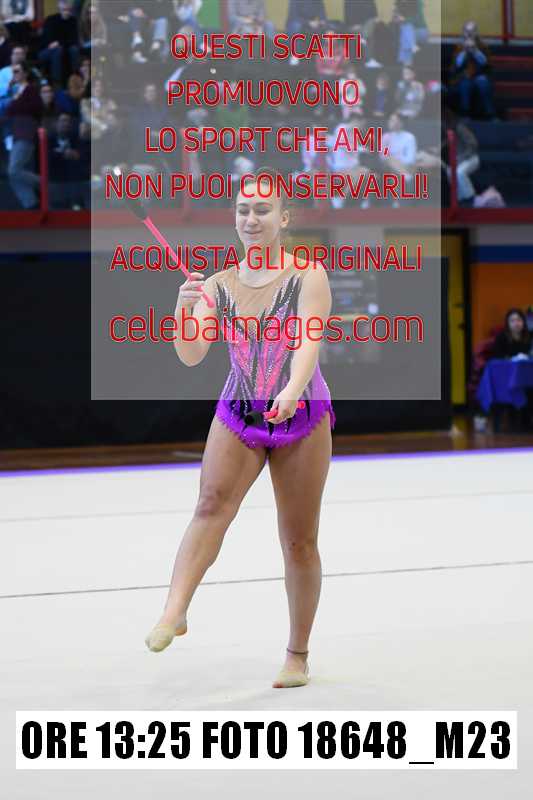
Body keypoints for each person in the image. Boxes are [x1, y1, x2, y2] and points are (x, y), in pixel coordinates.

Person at [144, 169, 336, 689]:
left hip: (301, 412)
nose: (252, 218)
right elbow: (191, 354)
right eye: (243, 210)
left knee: (298, 540)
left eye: (263, 210)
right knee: (210, 505)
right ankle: (174, 611)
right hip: (239, 408)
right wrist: (183, 310)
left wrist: (292, 390)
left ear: (283, 217)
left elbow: (308, 342)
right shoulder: (217, 285)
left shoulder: (307, 275)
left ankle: (297, 654)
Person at [6, 58, 42, 208]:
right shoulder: (15, 91)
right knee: (13, 173)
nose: (14, 74)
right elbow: (9, 111)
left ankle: (44, 183)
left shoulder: (31, 90)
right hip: (15, 135)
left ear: (25, 73)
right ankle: (31, 204)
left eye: (17, 71)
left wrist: (16, 104)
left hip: (26, 134)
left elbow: (36, 107)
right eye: (13, 71)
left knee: (13, 171)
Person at [449, 20, 495, 119]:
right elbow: (456, 66)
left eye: (472, 31)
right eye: (467, 31)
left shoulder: (483, 46)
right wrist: (465, 51)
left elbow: (486, 63)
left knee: (483, 82)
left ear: (476, 32)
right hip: (462, 77)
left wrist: (475, 51)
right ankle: (465, 113)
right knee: (465, 84)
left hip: (479, 76)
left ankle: (490, 113)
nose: (469, 33)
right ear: (463, 32)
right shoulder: (459, 47)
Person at [38, 0, 80, 85]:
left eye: (68, 10)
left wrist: (59, 42)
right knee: (57, 50)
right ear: (59, 9)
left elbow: (74, 39)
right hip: (46, 50)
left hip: (64, 48)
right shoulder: (51, 20)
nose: (66, 12)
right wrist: (58, 44)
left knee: (73, 50)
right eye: (64, 10)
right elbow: (47, 40)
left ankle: (74, 77)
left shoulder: (73, 21)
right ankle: (57, 81)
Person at [381, 111, 417, 205]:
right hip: (388, 164)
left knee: (396, 172)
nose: (391, 122)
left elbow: (410, 158)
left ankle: (397, 202)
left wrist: (397, 161)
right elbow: (383, 156)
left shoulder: (409, 137)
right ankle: (405, 176)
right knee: (390, 159)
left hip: (404, 166)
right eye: (390, 120)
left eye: (394, 120)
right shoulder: (386, 137)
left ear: (401, 123)